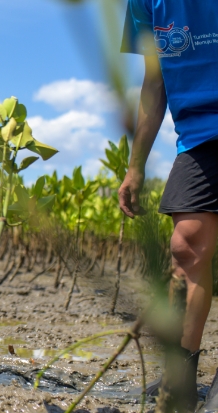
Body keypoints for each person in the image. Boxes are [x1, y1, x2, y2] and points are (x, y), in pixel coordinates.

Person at [120, 1, 218, 410]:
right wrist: (135, 165)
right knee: (186, 246)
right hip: (196, 134)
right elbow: (154, 82)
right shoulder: (144, 3)